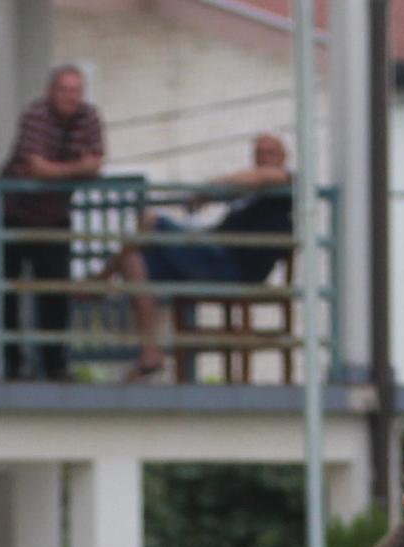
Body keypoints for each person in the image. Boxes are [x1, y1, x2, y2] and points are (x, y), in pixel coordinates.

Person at [111, 135, 293, 380]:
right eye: (259, 152)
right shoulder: (249, 195)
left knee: (151, 221)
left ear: (284, 157)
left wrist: (206, 192)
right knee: (133, 261)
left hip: (233, 268)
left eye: (271, 151)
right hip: (214, 259)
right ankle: (150, 353)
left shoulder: (286, 182)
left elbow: (258, 177)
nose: (264, 157)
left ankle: (102, 277)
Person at [0, 64, 105, 382]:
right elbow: (35, 168)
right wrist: (75, 169)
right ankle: (12, 366)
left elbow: (96, 164)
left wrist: (56, 172)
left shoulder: (89, 117)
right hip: (14, 212)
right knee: (7, 292)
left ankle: (55, 366)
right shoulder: (35, 115)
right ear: (50, 92)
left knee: (55, 292)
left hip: (54, 216)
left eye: (76, 91)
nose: (71, 97)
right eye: (64, 90)